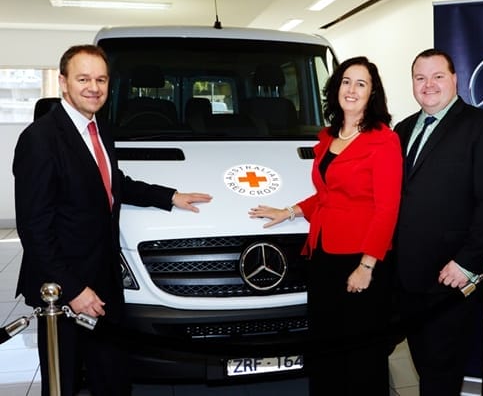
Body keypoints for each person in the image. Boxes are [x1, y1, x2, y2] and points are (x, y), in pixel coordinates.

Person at [12, 44, 213, 396]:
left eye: (101, 79)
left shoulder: (99, 128)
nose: (94, 87)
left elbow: (109, 181)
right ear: (63, 82)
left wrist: (167, 196)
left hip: (103, 275)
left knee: (113, 376)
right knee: (65, 381)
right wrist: (73, 290)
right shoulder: (40, 139)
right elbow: (34, 228)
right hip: (61, 291)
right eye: (83, 78)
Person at [249, 56, 402, 396]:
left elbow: (387, 208)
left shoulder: (383, 140)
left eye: (361, 83)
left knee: (361, 356)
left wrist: (367, 265)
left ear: (372, 93)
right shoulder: (329, 136)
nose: (352, 89)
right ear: (336, 88)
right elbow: (327, 194)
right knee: (326, 349)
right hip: (323, 255)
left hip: (360, 260)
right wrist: (288, 211)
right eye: (346, 81)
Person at [392, 48, 483, 395]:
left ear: (455, 79)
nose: (428, 85)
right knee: (424, 364)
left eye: (438, 76)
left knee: (443, 370)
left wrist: (467, 261)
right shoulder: (401, 130)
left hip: (450, 276)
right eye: (420, 78)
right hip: (407, 278)